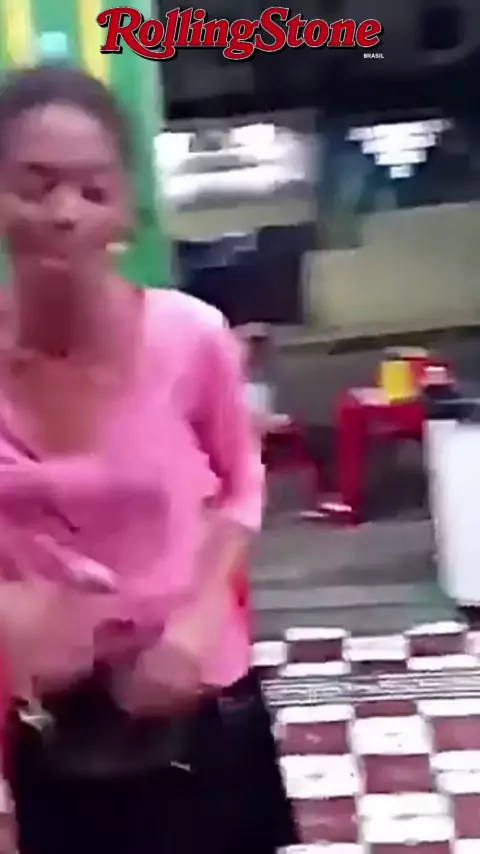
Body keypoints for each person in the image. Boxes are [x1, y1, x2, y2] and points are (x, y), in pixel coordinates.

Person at [0, 65, 297, 854]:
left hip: (198, 710)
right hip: (55, 725)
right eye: (35, 186)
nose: (65, 212)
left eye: (93, 189)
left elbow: (241, 485)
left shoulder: (190, 337)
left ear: (127, 208)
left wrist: (195, 627)